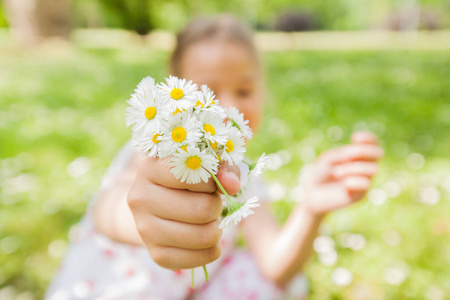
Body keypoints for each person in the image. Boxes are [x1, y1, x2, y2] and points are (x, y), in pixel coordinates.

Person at [45, 15, 383, 300]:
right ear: (174, 97)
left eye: (244, 90)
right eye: (206, 91)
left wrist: (311, 207)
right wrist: (140, 217)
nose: (227, 106)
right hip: (112, 288)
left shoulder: (244, 177)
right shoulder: (158, 146)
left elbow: (276, 266)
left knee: (271, 282)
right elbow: (113, 205)